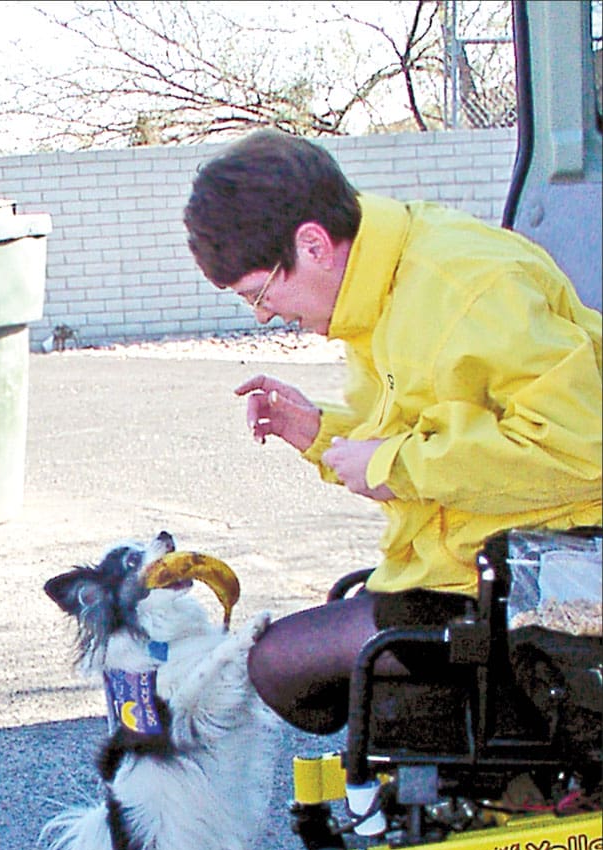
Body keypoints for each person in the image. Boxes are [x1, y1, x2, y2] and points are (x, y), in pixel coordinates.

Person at [183, 129, 602, 734]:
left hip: (549, 582)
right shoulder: (386, 289)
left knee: (281, 664)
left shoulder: (466, 285)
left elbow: (578, 449)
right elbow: (427, 429)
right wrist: (322, 433)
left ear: (313, 244)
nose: (265, 314)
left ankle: (525, 767)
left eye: (260, 292)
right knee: (299, 666)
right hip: (472, 569)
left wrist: (392, 465)